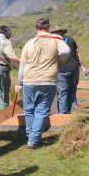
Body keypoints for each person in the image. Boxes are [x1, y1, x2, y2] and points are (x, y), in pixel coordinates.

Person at [15, 17, 70, 149]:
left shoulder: (29, 43)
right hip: (48, 79)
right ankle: (33, 140)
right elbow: (66, 51)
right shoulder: (56, 39)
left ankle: (31, 135)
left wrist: (19, 82)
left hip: (29, 79)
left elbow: (22, 65)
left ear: (36, 28)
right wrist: (61, 60)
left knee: (29, 110)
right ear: (48, 28)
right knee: (42, 110)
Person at [50, 25, 89, 114]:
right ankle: (74, 113)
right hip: (74, 68)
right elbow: (78, 54)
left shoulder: (53, 42)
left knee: (63, 93)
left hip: (62, 70)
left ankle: (62, 116)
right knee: (72, 91)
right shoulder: (71, 39)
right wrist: (83, 67)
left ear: (52, 33)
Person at [0, 25, 20, 111]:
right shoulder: (6, 42)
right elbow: (11, 56)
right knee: (3, 95)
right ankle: (1, 119)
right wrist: (23, 62)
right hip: (1, 69)